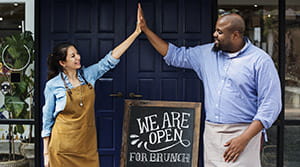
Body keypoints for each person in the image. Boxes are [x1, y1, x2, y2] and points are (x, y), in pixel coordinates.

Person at [137, 3, 281, 167]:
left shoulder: (260, 61)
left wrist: (244, 138)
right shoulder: (206, 54)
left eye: (219, 32)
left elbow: (271, 105)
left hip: (244, 132)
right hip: (212, 132)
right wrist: (145, 29)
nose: (214, 34)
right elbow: (174, 55)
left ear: (235, 35)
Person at [41, 8, 141, 167]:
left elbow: (110, 60)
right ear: (62, 63)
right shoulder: (53, 85)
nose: (78, 57)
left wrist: (136, 33)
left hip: (86, 145)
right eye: (72, 56)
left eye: (77, 53)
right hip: (62, 148)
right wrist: (46, 153)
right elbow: (47, 121)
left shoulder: (88, 75)